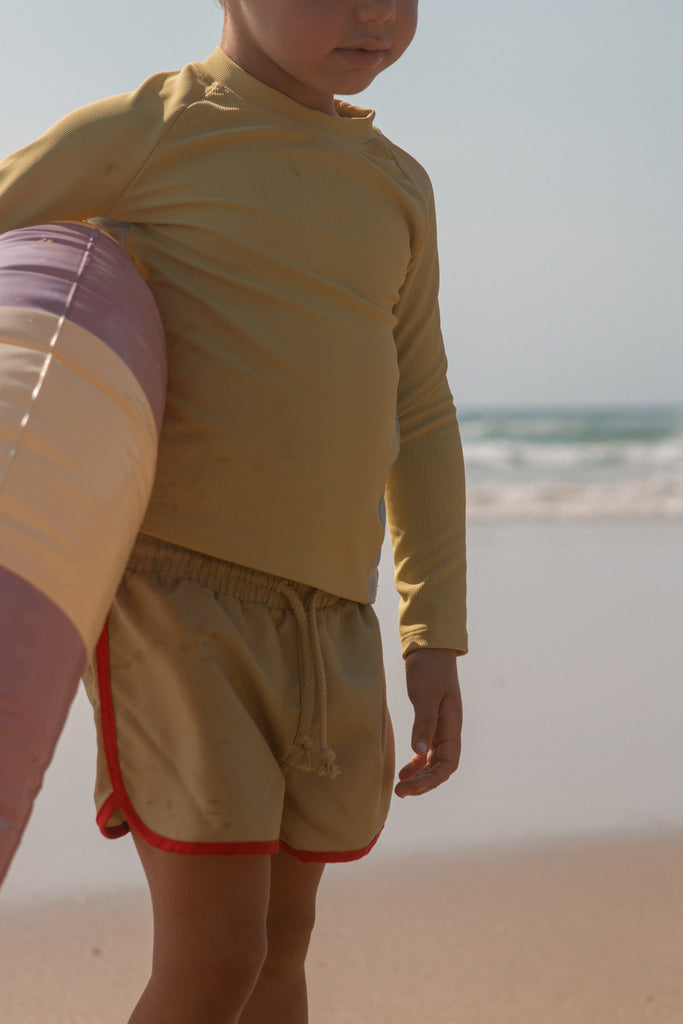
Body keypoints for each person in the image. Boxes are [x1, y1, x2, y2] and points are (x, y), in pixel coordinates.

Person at [0, 1, 467, 1021]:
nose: (376, 11)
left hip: (329, 613)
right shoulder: (153, 128)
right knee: (217, 952)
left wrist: (432, 631)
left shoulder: (397, 185)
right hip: (176, 598)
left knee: (279, 949)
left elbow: (421, 410)